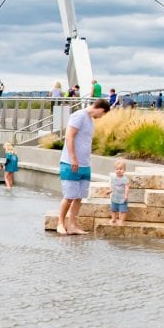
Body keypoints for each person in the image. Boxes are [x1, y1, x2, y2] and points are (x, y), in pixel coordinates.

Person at [56, 98, 110, 235]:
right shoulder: (79, 116)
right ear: (101, 110)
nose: (101, 117)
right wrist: (73, 158)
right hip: (71, 163)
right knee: (69, 196)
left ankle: (72, 225)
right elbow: (69, 137)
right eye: (103, 115)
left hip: (85, 164)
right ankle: (60, 223)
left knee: (79, 196)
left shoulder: (90, 121)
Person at [108, 158, 130, 226]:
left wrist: (126, 195)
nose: (118, 171)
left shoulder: (125, 179)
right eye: (117, 169)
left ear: (124, 170)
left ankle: (121, 220)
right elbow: (113, 186)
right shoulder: (113, 178)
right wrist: (110, 191)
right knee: (113, 209)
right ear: (114, 170)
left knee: (123, 210)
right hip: (115, 196)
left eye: (121, 169)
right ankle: (113, 219)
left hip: (122, 197)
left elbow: (127, 187)